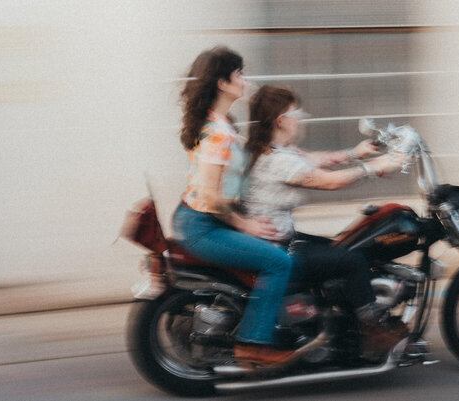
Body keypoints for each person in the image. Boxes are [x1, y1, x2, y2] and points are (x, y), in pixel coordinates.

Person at [242, 85, 409, 360]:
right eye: (297, 113)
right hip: (278, 246)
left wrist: (357, 153)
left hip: (281, 239)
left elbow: (315, 159)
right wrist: (376, 168)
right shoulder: (276, 160)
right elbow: (328, 182)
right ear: (281, 120)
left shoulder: (275, 150)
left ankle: (338, 322)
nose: (302, 118)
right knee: (352, 260)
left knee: (341, 247)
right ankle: (374, 333)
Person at [170, 47, 296, 366]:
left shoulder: (220, 122)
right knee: (279, 263)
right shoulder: (219, 134)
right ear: (222, 83)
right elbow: (211, 196)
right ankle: (254, 343)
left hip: (199, 221)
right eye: (238, 74)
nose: (244, 79)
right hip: (204, 226)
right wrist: (246, 225)